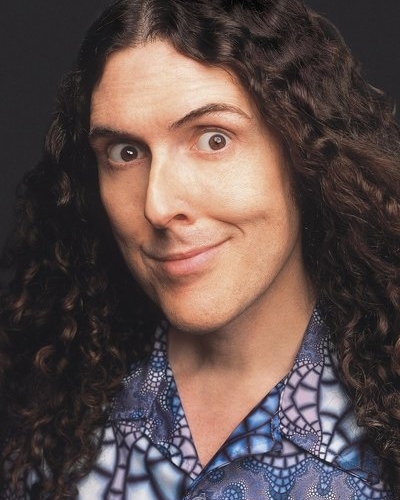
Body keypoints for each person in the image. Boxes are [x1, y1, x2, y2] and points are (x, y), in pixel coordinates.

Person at [1, 0, 399, 498]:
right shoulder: (48, 401)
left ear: (304, 153)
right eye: (125, 153)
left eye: (214, 140)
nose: (158, 205)